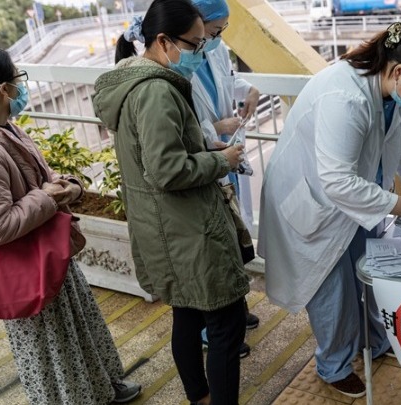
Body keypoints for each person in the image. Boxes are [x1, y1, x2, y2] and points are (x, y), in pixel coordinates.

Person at [258, 22, 401, 397]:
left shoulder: (394, 92)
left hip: (361, 199)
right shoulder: (345, 96)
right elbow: (336, 181)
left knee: (369, 275)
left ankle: (373, 342)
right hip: (317, 200)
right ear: (400, 71)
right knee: (333, 289)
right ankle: (332, 365)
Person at [93, 0, 250, 404]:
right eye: (196, 44)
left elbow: (159, 154)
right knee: (226, 324)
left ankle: (198, 395)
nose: (202, 53)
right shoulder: (158, 91)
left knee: (187, 313)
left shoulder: (132, 80)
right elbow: (166, 170)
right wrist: (220, 159)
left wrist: (202, 144)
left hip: (164, 226)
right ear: (163, 41)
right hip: (187, 228)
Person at [0, 44, 141, 404]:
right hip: (26, 273)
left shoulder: (7, 130)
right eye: (18, 78)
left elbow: (43, 179)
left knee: (77, 332)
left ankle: (101, 388)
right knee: (54, 349)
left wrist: (69, 188)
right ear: (4, 89)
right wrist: (49, 197)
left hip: (48, 257)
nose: (22, 87)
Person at [189, 0, 260, 359]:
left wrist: (249, 90)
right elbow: (184, 125)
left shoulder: (212, 50)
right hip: (204, 163)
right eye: (215, 32)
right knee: (215, 249)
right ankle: (211, 327)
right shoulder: (178, 62)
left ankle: (236, 308)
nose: (218, 39)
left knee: (234, 237)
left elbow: (229, 80)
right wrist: (215, 128)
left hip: (223, 157)